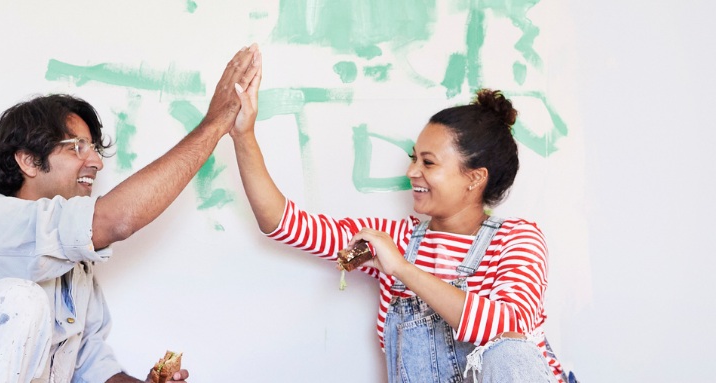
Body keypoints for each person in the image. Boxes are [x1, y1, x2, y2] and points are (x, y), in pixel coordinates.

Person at [0, 44, 261, 383]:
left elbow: (88, 366)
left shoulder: (75, 266)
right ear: (29, 161)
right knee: (21, 301)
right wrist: (215, 123)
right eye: (77, 147)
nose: (96, 161)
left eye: (95, 148)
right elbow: (114, 221)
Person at [228, 77, 576, 382]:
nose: (412, 171)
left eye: (428, 162)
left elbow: (506, 327)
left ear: (474, 178)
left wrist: (402, 270)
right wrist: (243, 134)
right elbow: (281, 222)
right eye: (414, 158)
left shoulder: (517, 239)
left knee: (507, 351)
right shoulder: (396, 242)